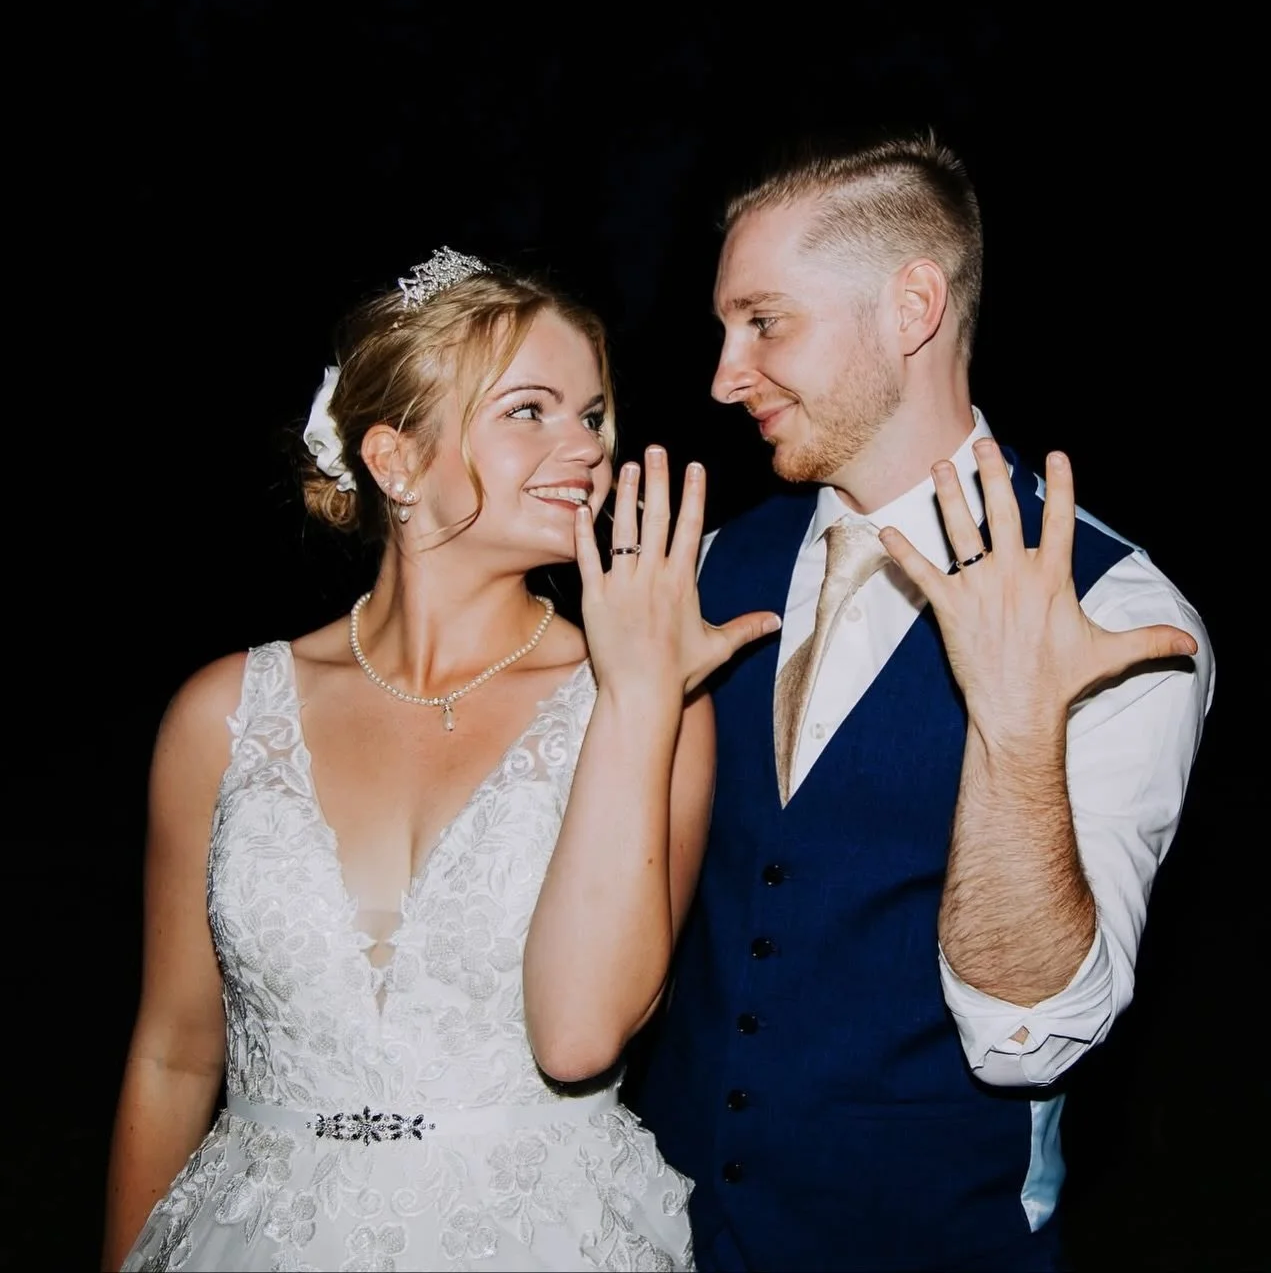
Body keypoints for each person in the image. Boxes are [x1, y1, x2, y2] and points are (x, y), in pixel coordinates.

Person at [103, 249, 779, 1272]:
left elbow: (588, 1034)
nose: (584, 449)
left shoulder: (647, 699)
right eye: (530, 412)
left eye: (593, 416)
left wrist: (641, 696)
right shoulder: (221, 713)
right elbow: (171, 1053)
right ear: (395, 460)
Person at [622, 131, 1217, 1272]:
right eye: (723, 328)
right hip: (665, 1226)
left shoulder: (1118, 613)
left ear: (911, 306)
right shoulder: (709, 572)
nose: (722, 375)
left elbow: (1032, 1038)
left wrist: (1011, 726)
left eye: (765, 322)